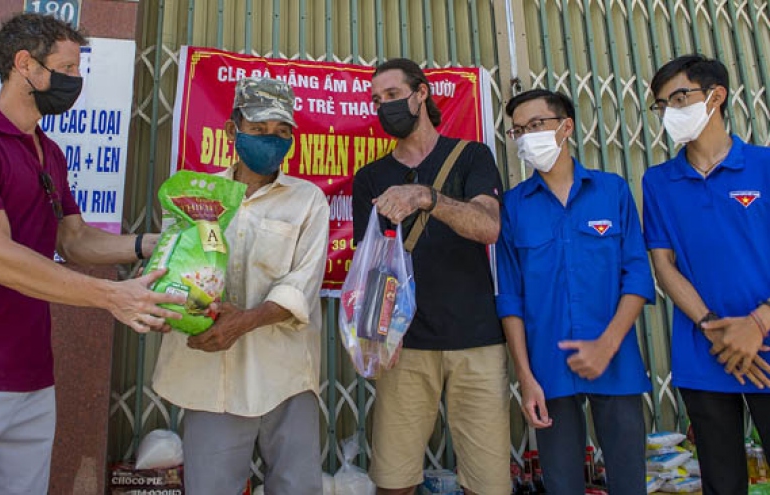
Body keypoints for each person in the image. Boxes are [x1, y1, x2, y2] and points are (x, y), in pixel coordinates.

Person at [0, 13, 187, 495]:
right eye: (67, 68)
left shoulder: (48, 152)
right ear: (25, 64)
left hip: (30, 384)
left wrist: (148, 245)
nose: (76, 81)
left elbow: (73, 240)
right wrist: (110, 297)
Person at [151, 77, 330, 495]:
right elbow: (175, 270)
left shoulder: (307, 200)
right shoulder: (195, 196)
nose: (272, 140)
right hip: (212, 377)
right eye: (259, 130)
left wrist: (246, 320)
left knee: (297, 488)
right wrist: (181, 310)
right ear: (233, 131)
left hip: (284, 376)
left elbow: (302, 283)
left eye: (282, 132)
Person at [352, 58, 510, 495]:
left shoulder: (471, 156)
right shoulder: (370, 178)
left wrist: (427, 197)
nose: (385, 107)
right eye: (377, 100)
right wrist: (374, 338)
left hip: (475, 341)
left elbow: (488, 227)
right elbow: (372, 266)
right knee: (393, 479)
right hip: (404, 346)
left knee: (488, 481)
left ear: (421, 93)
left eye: (393, 95)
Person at [496, 89, 655, 494]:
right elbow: (510, 298)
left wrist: (607, 344)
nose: (526, 137)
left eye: (535, 126)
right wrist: (526, 377)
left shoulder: (612, 191)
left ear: (565, 127)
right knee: (562, 484)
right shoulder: (513, 207)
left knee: (628, 483)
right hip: (548, 373)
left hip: (616, 364)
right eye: (518, 131)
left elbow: (636, 274)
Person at [642, 54, 770, 495]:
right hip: (705, 353)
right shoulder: (658, 181)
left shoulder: (764, 165)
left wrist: (757, 324)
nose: (669, 111)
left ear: (715, 96)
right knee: (722, 482)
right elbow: (663, 264)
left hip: (767, 343)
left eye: (680, 97)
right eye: (661, 104)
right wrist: (712, 329)